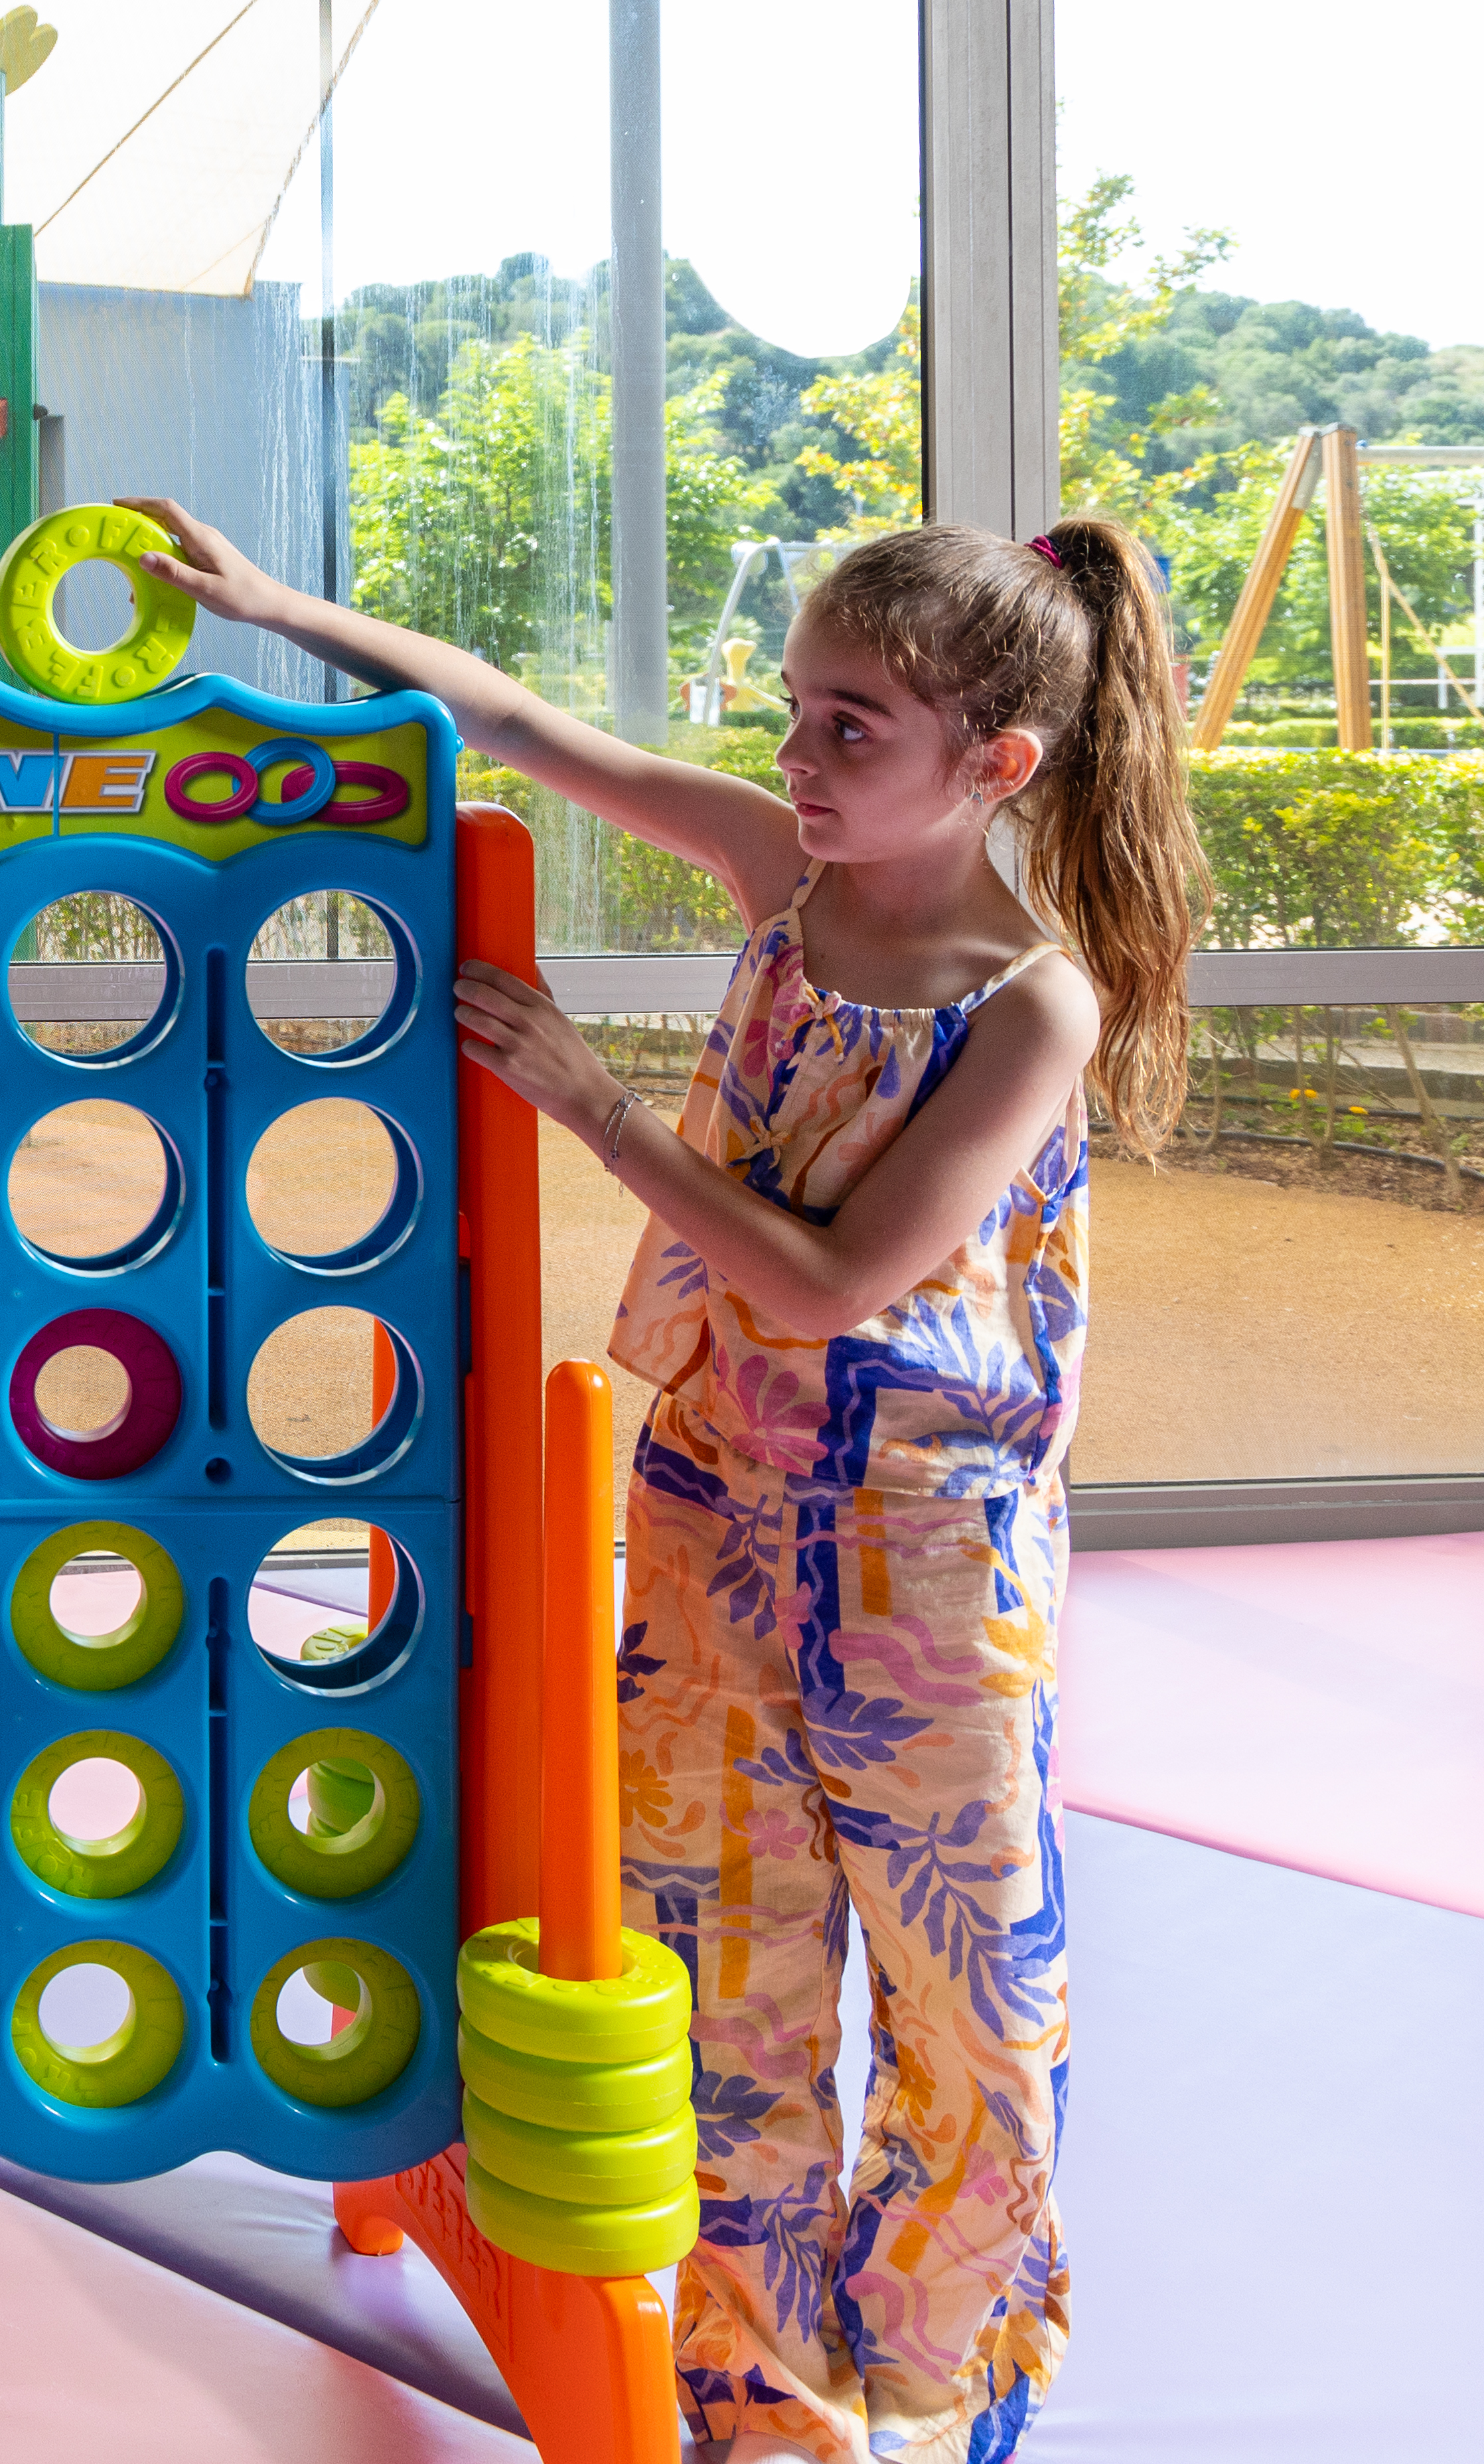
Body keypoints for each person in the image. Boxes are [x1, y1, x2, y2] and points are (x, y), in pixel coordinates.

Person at [129, 502, 1205, 2464]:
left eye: (847, 730)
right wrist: (272, 606)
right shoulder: (769, 875)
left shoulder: (1027, 1001)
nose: (792, 763)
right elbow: (525, 728)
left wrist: (591, 1100)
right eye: (792, 714)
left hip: (926, 1565)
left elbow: (826, 1283)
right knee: (727, 1972)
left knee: (975, 2007)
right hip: (709, 1510)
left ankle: (939, 2369)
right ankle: (753, 2405)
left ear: (996, 766)